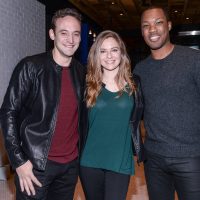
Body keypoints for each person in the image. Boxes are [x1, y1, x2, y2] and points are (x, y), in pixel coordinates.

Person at [0, 8, 87, 200]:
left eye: (76, 34)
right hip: (35, 164)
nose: (70, 40)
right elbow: (8, 112)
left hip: (69, 166)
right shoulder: (30, 66)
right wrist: (19, 160)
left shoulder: (81, 72)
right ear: (52, 34)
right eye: (64, 33)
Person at [134, 5, 200, 200]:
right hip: (154, 159)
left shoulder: (193, 60)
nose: (152, 30)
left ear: (169, 25)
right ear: (142, 31)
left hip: (191, 157)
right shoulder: (140, 69)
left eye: (158, 23)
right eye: (146, 25)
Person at [79, 30, 145, 200]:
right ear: (96, 55)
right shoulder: (86, 84)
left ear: (121, 53)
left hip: (120, 160)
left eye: (114, 50)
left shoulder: (134, 83)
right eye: (103, 51)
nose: (109, 56)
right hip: (89, 161)